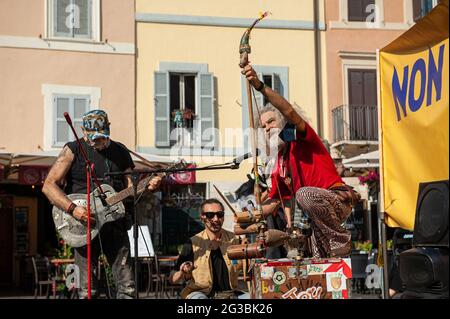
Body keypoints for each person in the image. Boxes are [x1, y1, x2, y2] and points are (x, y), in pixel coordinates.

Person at [242, 65, 360, 258]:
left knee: (304, 194)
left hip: (336, 199)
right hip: (316, 216)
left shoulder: (304, 137)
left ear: (282, 121)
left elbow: (288, 109)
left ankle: (339, 239)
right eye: (263, 126)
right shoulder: (280, 162)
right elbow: (273, 203)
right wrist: (247, 217)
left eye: (271, 121)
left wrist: (260, 86)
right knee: (318, 262)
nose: (267, 128)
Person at [42, 109, 161, 299]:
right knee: (86, 290)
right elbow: (48, 186)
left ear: (109, 128)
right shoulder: (72, 149)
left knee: (127, 287)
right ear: (83, 131)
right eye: (94, 137)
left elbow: (131, 188)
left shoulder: (121, 151)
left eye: (102, 137)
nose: (98, 142)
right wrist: (73, 209)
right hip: (83, 225)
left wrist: (148, 186)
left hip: (115, 224)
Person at [169, 198, 249, 299]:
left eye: (219, 214)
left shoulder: (235, 240)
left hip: (231, 294)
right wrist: (182, 272)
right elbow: (172, 279)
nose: (216, 219)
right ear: (202, 217)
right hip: (201, 293)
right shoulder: (193, 243)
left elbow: (250, 266)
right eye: (210, 215)